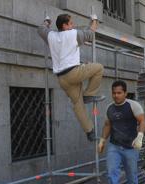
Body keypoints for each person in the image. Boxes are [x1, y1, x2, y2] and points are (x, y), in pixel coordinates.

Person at [38, 14, 104, 142]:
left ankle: (89, 131)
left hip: (62, 79)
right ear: (65, 25)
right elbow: (90, 33)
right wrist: (94, 20)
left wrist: (47, 21)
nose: (73, 25)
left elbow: (41, 29)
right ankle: (89, 94)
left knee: (78, 105)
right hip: (74, 72)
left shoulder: (51, 36)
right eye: (71, 23)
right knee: (99, 68)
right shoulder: (72, 34)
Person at [98, 80, 145, 184]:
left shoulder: (133, 105)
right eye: (114, 93)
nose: (116, 95)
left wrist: (140, 136)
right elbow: (107, 125)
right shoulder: (110, 108)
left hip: (131, 147)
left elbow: (142, 121)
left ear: (125, 93)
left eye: (119, 93)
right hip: (114, 147)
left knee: (131, 177)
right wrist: (102, 140)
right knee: (111, 174)